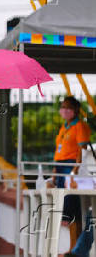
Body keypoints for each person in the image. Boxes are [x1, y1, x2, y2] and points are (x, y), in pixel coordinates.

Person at [48, 96, 91, 255]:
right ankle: (69, 247)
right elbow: (59, 150)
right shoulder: (64, 126)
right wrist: (54, 170)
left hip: (71, 166)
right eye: (62, 107)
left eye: (68, 108)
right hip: (60, 165)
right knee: (61, 200)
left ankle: (75, 246)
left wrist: (75, 170)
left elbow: (82, 149)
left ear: (75, 110)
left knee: (70, 204)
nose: (64, 110)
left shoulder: (79, 126)